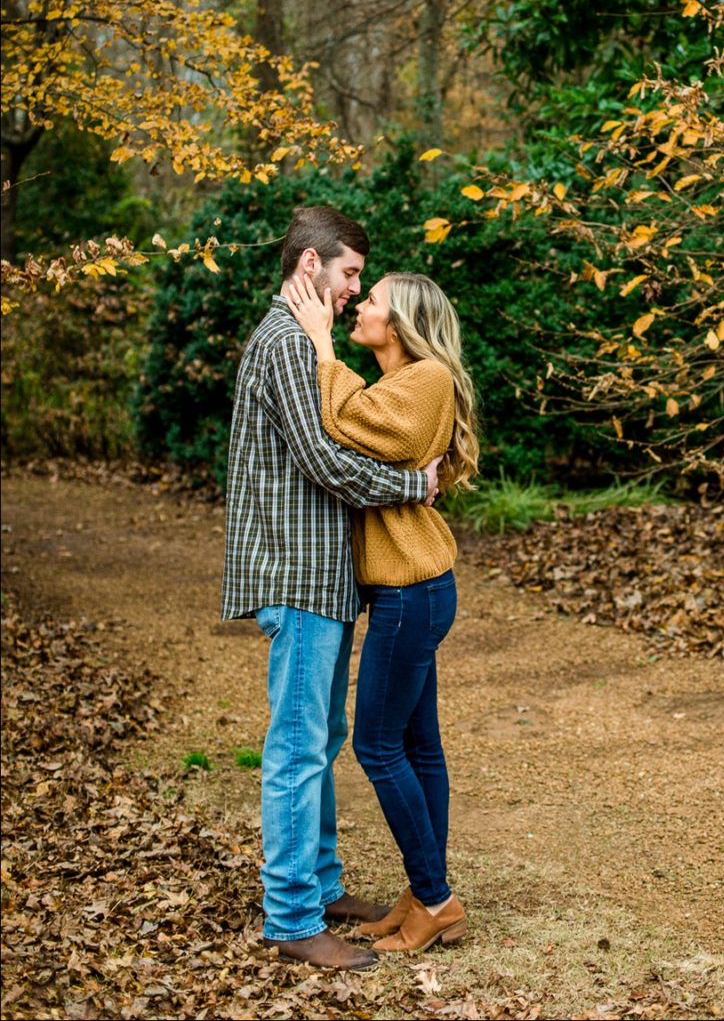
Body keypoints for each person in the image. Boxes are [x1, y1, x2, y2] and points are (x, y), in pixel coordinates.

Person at [221, 205, 442, 973]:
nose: (353, 289)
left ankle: (317, 886)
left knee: (321, 739)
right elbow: (323, 459)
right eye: (350, 274)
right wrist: (412, 482)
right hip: (298, 570)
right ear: (311, 267)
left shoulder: (296, 342)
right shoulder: (286, 340)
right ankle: (290, 919)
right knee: (296, 747)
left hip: (323, 571)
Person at [284, 266, 478, 956]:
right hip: (411, 590)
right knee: (418, 746)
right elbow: (359, 428)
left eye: (370, 300)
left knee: (376, 745)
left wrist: (322, 346)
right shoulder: (406, 383)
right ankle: (426, 888)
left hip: (412, 593)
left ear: (398, 325)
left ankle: (434, 900)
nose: (357, 307)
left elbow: (351, 424)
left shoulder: (425, 378)